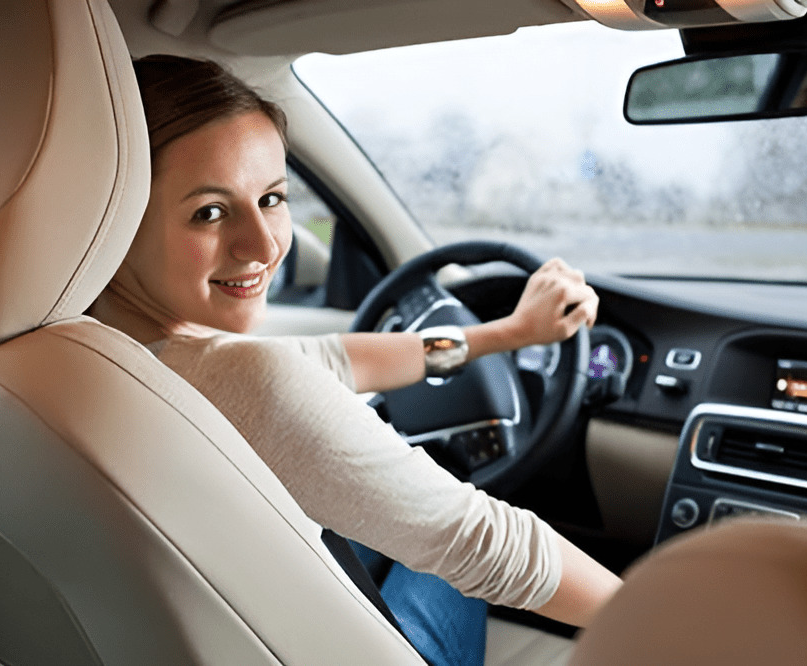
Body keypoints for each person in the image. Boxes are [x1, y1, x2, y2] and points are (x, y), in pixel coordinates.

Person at [90, 54, 621, 665]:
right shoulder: (239, 380)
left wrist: (505, 334)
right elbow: (483, 543)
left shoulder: (68, 353)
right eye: (209, 212)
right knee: (447, 514)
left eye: (271, 198)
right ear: (115, 215)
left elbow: (332, 359)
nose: (264, 247)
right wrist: (685, 622)